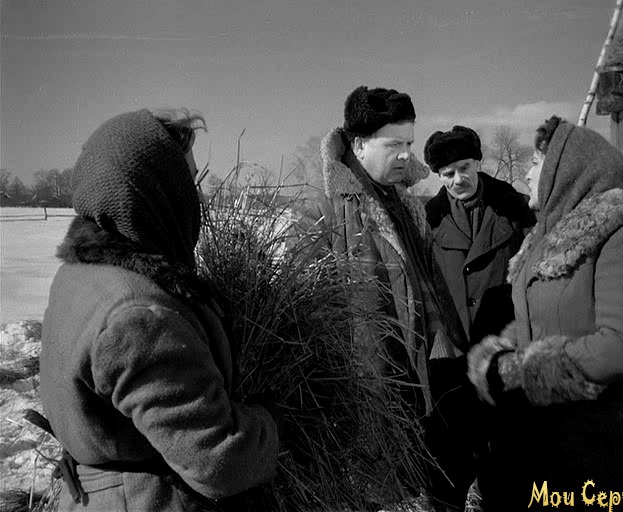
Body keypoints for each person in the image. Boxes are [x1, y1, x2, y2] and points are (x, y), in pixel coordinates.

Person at [39, 108, 279, 511]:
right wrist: (270, 422)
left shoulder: (80, 274)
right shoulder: (139, 315)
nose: (200, 198)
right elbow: (218, 460)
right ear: (156, 191)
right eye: (190, 182)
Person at [467, 116, 623, 511]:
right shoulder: (540, 244)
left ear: (565, 172)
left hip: (613, 445)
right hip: (555, 440)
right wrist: (500, 351)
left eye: (535, 164)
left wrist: (526, 370)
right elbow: (535, 317)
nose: (527, 174)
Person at [305, 86, 467, 510]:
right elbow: (306, 320)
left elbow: (431, 295)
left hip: (421, 383)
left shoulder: (410, 207)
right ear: (359, 145)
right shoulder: (323, 211)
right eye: (393, 144)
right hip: (364, 394)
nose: (405, 155)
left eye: (409, 143)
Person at [422, 126, 535, 510]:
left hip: (504, 348)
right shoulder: (429, 219)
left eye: (465, 168)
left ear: (478, 162)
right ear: (439, 176)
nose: (458, 179)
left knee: (505, 455)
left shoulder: (514, 208)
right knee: (449, 458)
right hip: (450, 355)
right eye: (448, 173)